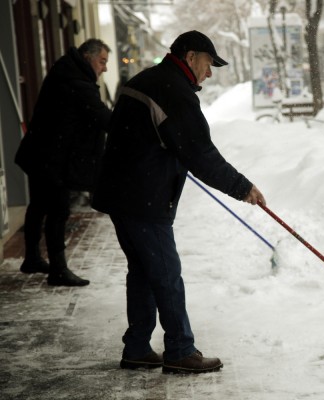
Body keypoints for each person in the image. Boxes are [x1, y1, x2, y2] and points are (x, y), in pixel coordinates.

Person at [92, 31, 266, 374]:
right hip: (141, 198)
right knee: (166, 273)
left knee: (143, 271)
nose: (210, 72)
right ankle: (180, 350)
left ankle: (138, 347)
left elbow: (144, 137)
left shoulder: (150, 80)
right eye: (208, 63)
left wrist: (163, 157)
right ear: (190, 57)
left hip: (123, 192)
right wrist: (241, 187)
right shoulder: (173, 90)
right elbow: (200, 152)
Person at [15, 38, 112, 286]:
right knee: (58, 210)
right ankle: (58, 270)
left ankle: (32, 258)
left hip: (41, 151)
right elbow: (102, 117)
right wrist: (133, 128)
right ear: (88, 57)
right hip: (52, 157)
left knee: (38, 204)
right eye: (102, 61)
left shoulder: (67, 71)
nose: (105, 68)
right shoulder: (77, 82)